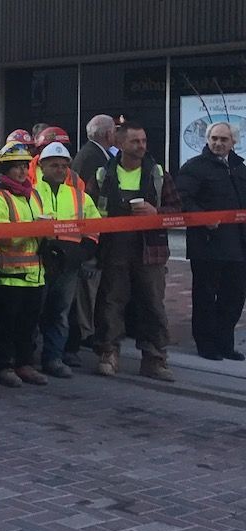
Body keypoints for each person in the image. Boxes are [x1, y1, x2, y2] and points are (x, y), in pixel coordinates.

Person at [87, 121, 181, 381]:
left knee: (153, 304)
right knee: (111, 303)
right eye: (135, 141)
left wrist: (156, 212)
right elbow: (88, 209)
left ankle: (155, 359)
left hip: (151, 251)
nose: (141, 146)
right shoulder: (102, 175)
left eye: (144, 141)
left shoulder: (159, 174)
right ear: (120, 144)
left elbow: (178, 211)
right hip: (114, 249)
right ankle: (108, 353)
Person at [0, 142, 49, 388]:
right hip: (9, 274)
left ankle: (24, 364)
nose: (22, 171)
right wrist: (31, 230)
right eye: (16, 167)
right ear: (5, 169)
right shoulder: (0, 195)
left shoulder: (34, 194)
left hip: (35, 273)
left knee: (28, 325)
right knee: (5, 325)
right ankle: (4, 366)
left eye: (24, 166)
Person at [176, 121, 246, 361]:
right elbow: (182, 199)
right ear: (207, 140)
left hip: (238, 245)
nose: (218, 143)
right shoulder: (194, 167)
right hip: (207, 244)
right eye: (214, 138)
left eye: (223, 139)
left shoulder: (240, 168)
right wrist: (202, 218)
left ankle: (225, 343)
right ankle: (206, 345)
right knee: (205, 297)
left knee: (234, 296)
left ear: (233, 142)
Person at [34, 141, 101, 378]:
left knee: (60, 314)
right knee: (34, 313)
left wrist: (83, 252)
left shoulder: (80, 197)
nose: (60, 170)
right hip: (39, 261)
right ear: (42, 166)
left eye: (64, 166)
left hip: (69, 264)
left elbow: (94, 227)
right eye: (54, 165)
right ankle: (28, 358)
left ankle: (53, 358)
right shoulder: (31, 193)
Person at [68, 113, 117, 365]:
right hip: (89, 235)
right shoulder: (92, 158)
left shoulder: (92, 154)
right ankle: (85, 333)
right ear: (108, 134)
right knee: (87, 290)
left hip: (93, 233)